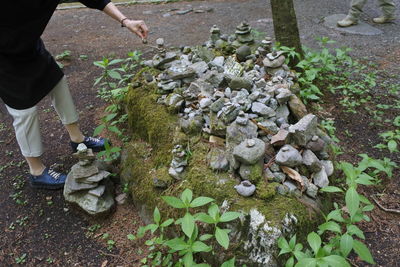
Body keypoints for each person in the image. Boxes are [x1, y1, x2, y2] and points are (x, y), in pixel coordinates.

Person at [0, 1, 148, 189]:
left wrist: (125, 20)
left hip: (29, 46)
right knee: (24, 112)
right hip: (3, 59)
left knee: (57, 83)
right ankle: (36, 172)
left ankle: (77, 139)